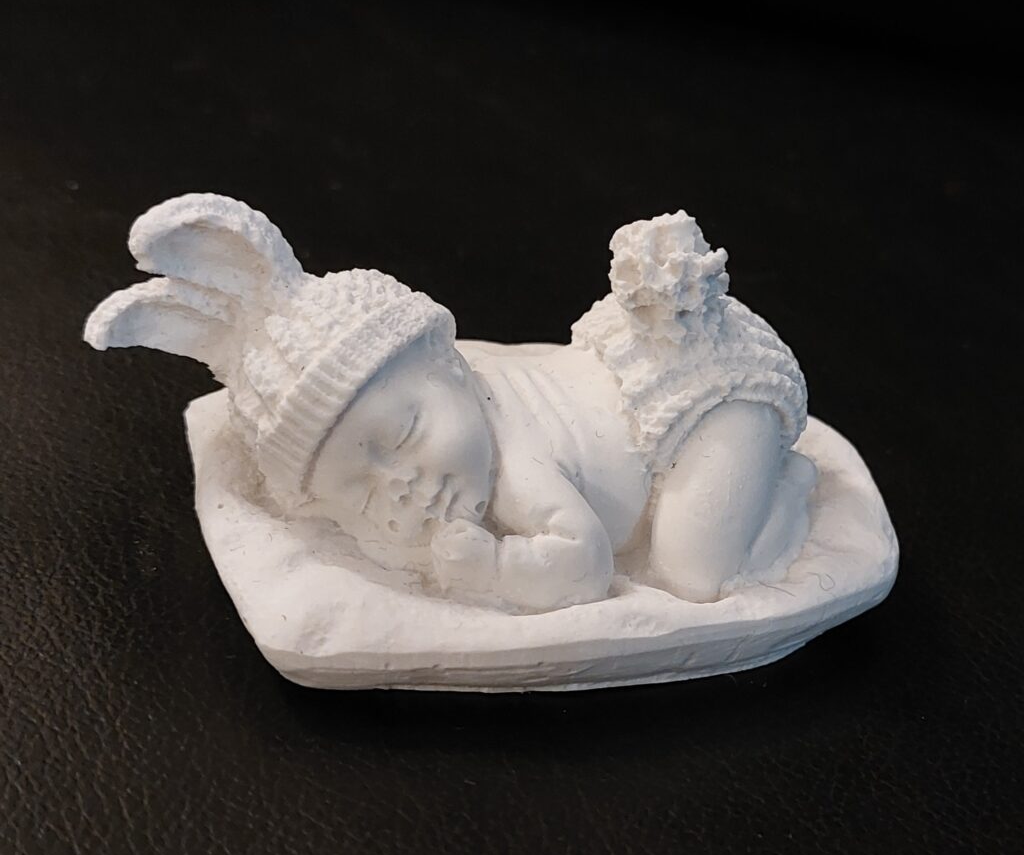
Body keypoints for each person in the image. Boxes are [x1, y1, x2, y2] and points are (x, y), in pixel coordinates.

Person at [85, 195, 815, 612]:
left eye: (406, 431)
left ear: (451, 362)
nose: (401, 484)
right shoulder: (460, 404)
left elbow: (587, 564)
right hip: (630, 376)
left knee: (692, 574)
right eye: (359, 495)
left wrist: (495, 569)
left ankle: (786, 490)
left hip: (701, 398)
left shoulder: (518, 469)